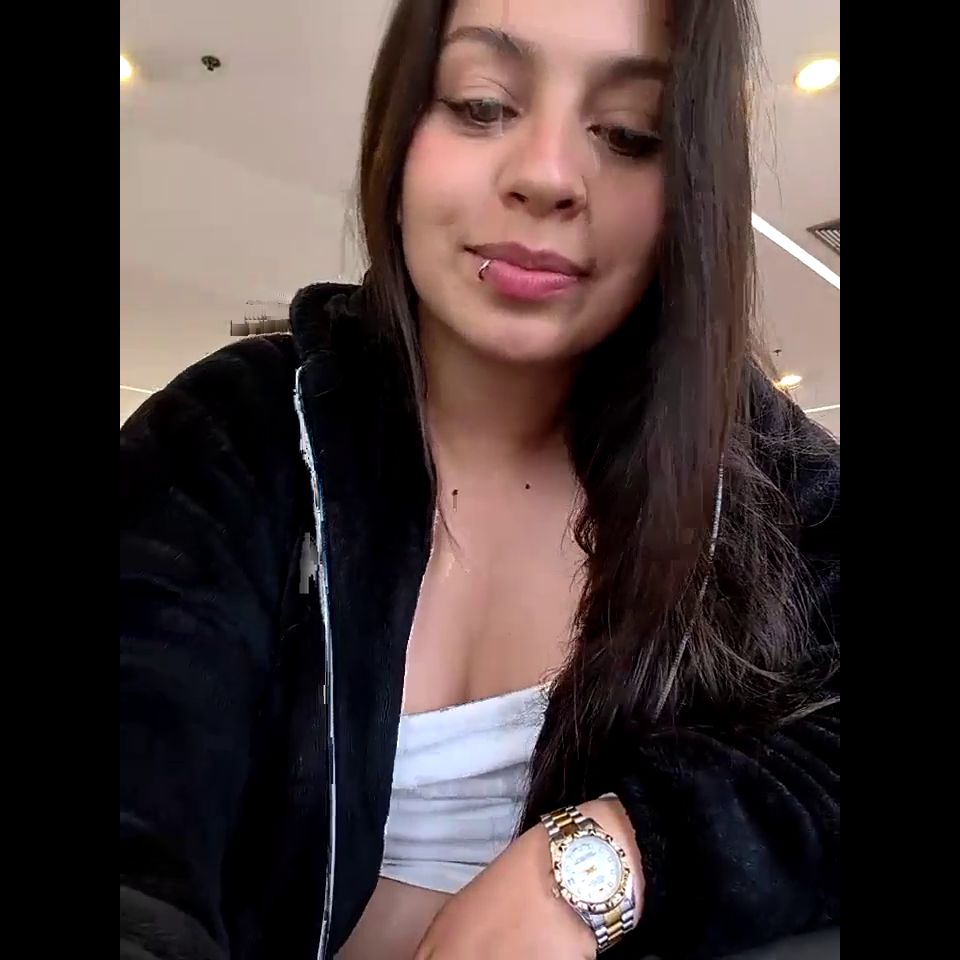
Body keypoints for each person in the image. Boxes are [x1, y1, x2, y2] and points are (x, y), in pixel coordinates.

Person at [119, 0, 840, 957]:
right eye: (481, 105)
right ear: (399, 130)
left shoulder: (746, 462)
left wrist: (610, 858)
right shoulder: (233, 433)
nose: (547, 176)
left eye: (631, 133)